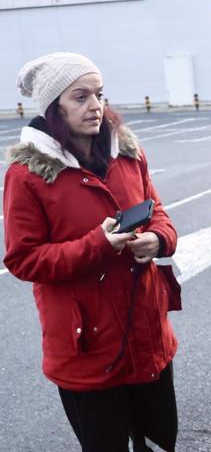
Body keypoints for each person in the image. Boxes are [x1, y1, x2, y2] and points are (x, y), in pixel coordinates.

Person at [4, 52, 180, 451]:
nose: (95, 106)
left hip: (147, 334)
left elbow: (158, 211)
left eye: (99, 94)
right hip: (87, 348)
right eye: (80, 97)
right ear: (54, 108)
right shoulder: (27, 175)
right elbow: (23, 259)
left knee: (160, 442)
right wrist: (97, 246)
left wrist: (158, 239)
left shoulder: (128, 153)